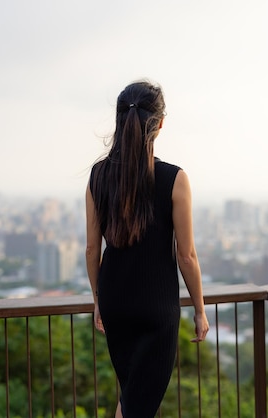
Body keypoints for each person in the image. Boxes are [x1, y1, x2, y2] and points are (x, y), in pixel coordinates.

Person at [85, 80, 209, 418]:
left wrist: (98, 300)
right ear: (160, 123)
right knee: (135, 406)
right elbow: (187, 255)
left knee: (132, 399)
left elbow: (91, 249)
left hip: (115, 303)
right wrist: (199, 309)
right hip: (156, 309)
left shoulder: (98, 176)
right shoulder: (175, 179)